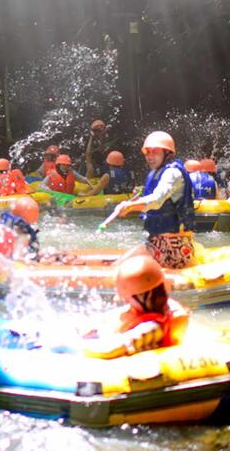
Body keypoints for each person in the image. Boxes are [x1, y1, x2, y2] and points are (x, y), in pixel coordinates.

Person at [110, 132, 196, 269]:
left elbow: (157, 200)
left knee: (117, 268)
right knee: (118, 264)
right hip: (158, 243)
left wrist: (131, 206)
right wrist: (138, 198)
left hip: (173, 250)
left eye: (155, 152)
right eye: (147, 152)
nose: (149, 157)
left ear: (167, 152)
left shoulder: (172, 172)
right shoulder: (157, 171)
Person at [83, 255, 188, 358]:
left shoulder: (152, 327)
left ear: (127, 296)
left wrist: (73, 345)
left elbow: (106, 351)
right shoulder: (166, 306)